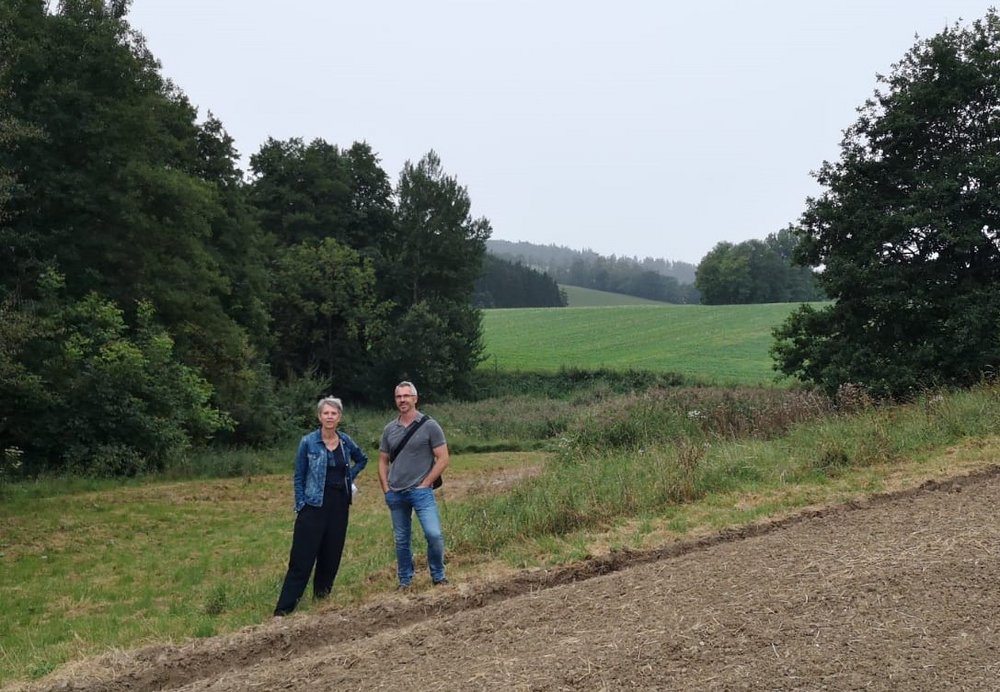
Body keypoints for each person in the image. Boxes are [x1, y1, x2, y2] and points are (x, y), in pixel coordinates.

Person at [274, 396, 368, 617]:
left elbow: (362, 459)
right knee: (302, 558)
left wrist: (349, 478)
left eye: (334, 413)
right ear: (319, 416)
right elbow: (299, 476)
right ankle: (283, 609)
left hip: (339, 505)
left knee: (331, 555)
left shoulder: (345, 442)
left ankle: (321, 602)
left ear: (339, 417)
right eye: (326, 413)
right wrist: (301, 504)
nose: (329, 417)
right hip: (314, 505)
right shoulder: (308, 442)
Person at [378, 380, 450, 589]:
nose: (403, 400)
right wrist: (386, 489)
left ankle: (438, 575)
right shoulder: (389, 429)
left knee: (434, 534)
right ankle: (405, 581)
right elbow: (382, 460)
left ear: (415, 399)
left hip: (421, 492)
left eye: (406, 396)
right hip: (396, 493)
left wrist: (426, 483)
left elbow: (443, 458)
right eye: (399, 397)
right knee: (401, 540)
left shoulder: (430, 426)